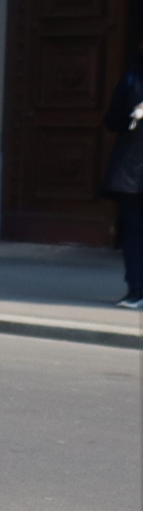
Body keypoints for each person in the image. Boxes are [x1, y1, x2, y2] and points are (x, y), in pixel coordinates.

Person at [106, 45, 143, 311]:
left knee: (134, 231)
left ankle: (136, 291)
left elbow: (111, 120)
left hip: (132, 169)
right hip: (133, 170)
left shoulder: (132, 79)